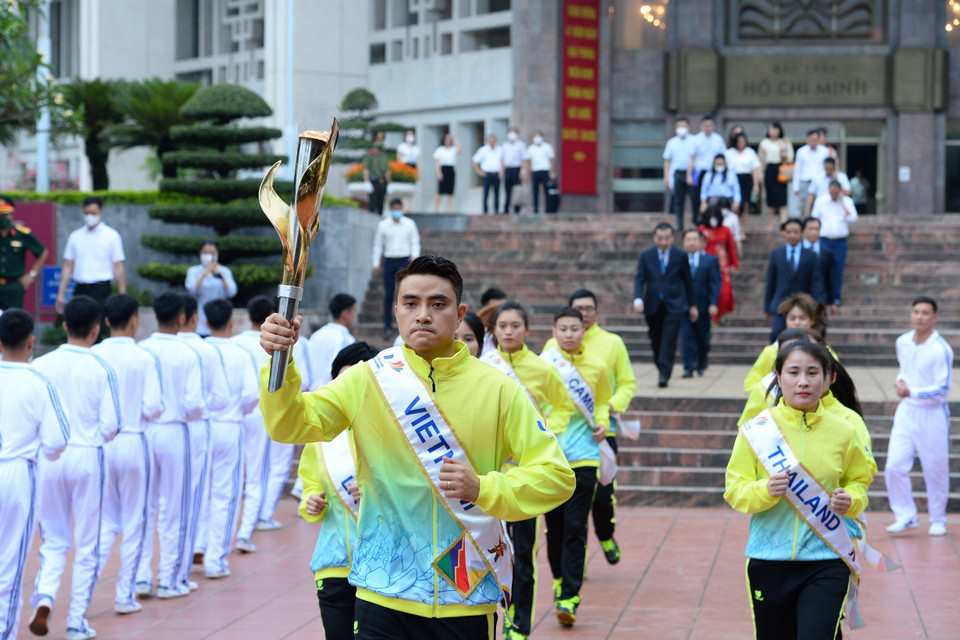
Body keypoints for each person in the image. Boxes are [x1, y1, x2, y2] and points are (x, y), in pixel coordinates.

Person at [257, 255, 575, 639]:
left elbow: (556, 476)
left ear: (459, 315)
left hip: (465, 591)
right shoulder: (366, 380)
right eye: (411, 303)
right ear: (396, 311)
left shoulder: (499, 389)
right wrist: (281, 360)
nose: (422, 315)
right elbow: (289, 423)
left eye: (437, 304)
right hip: (382, 592)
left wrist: (485, 489)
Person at [724, 341, 875, 640]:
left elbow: (859, 481)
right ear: (778, 378)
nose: (803, 381)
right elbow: (735, 489)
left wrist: (852, 499)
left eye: (812, 372)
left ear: (829, 378)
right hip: (770, 559)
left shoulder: (844, 430)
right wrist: (765, 489)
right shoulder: (757, 430)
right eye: (793, 372)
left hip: (827, 558)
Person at [481, 302, 574, 639]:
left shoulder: (543, 369)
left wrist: (547, 428)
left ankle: (519, 624)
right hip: (489, 472)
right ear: (493, 331)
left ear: (527, 331)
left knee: (523, 552)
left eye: (515, 325)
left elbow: (562, 407)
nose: (508, 331)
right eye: (502, 325)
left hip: (524, 474)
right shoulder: (483, 368)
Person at [30, 296, 121, 640]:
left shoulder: (40, 364)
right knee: (88, 542)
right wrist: (89, 437)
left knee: (52, 539)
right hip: (87, 453)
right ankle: (75, 620)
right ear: (97, 329)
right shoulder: (101, 366)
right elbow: (112, 425)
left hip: (49, 457)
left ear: (65, 325)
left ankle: (46, 596)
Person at [544, 289, 637, 564]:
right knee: (569, 512)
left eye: (587, 309)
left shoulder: (613, 343)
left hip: (600, 431)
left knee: (602, 498)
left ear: (596, 313)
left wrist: (611, 406)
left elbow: (627, 382)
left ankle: (606, 534)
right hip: (562, 437)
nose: (583, 314)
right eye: (578, 308)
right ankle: (575, 564)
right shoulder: (551, 348)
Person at [298, 341, 378, 640]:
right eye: (341, 381)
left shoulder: (393, 435)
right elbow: (309, 490)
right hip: (334, 565)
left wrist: (376, 491)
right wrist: (311, 502)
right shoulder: (320, 438)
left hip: (381, 569)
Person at [540, 307, 611, 628]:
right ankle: (559, 579)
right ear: (554, 332)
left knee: (575, 527)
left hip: (584, 458)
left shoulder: (597, 367)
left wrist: (603, 424)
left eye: (574, 328)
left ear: (585, 330)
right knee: (554, 528)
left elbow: (604, 402)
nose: (569, 334)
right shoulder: (544, 365)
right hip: (551, 459)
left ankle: (570, 594)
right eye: (563, 328)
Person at [92, 295, 163, 616]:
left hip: (102, 445)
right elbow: (153, 407)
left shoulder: (94, 355)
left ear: (106, 321)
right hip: (134, 439)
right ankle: (126, 593)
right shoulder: (143, 356)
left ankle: (86, 588)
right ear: (134, 321)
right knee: (137, 520)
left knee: (105, 522)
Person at [0, 309, 68, 640]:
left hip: (14, 466)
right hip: (16, 472)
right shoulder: (37, 381)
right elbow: (57, 440)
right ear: (31, 341)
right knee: (8, 566)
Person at [135, 292, 204, 600]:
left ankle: (139, 578)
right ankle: (169, 579)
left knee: (145, 508)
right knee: (175, 507)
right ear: (182, 318)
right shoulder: (188, 353)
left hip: (146, 432)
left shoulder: (141, 349)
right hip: (176, 431)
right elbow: (193, 405)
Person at [884, 297, 954, 536]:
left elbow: (943, 389)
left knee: (935, 468)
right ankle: (905, 515)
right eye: (916, 311)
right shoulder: (902, 342)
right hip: (906, 411)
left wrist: (912, 391)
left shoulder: (940, 349)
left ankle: (938, 518)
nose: (920, 316)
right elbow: (905, 369)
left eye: (925, 313)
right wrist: (900, 382)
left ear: (934, 318)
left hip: (932, 414)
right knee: (894, 465)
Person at [201, 299, 260, 577]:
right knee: (225, 493)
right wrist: (238, 410)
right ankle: (215, 560)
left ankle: (198, 545)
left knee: (201, 490)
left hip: (202, 426)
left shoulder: (199, 350)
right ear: (231, 322)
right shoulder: (238, 354)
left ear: (205, 322)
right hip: (229, 424)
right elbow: (251, 395)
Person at [179, 294, 231, 587]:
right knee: (220, 492)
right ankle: (213, 559)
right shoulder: (205, 349)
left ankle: (188, 555)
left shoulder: (158, 349)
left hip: (173, 430)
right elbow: (226, 398)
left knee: (184, 497)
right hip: (212, 424)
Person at [231, 296, 276, 553]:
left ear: (247, 316)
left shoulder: (233, 344)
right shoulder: (272, 344)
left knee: (231, 476)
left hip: (235, 413)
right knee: (257, 473)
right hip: (259, 411)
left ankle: (222, 537)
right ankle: (244, 533)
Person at [633, 223, 698, 388]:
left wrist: (692, 305)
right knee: (656, 339)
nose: (663, 241)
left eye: (667, 238)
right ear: (654, 237)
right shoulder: (647, 255)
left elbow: (688, 281)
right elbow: (640, 278)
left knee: (669, 340)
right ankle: (661, 365)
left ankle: (664, 373)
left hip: (674, 304)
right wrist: (637, 298)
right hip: (652, 304)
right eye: (660, 238)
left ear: (672, 238)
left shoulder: (680, 255)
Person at [744, 293, 830, 392]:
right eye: (792, 318)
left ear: (812, 320)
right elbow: (751, 383)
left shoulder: (823, 350)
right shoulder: (771, 351)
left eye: (802, 318)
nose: (797, 322)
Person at [56, 196, 126, 312]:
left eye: (93, 213)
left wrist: (122, 294)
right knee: (79, 324)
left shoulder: (111, 236)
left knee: (99, 323)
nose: (90, 217)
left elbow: (118, 266)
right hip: (80, 288)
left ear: (101, 212)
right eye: (86, 213)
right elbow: (68, 265)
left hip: (101, 289)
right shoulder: (75, 236)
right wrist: (61, 293)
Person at [763, 218, 826, 342]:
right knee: (777, 336)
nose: (792, 235)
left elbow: (816, 282)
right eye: (789, 232)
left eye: (796, 232)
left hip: (803, 305)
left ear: (802, 233)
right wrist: (767, 306)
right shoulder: (776, 254)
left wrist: (817, 304)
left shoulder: (810, 255)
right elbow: (771, 281)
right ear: (784, 233)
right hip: (780, 304)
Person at [373, 199, 420, 338]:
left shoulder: (410, 224)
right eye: (394, 208)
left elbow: (415, 242)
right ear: (390, 209)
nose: (396, 211)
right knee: (389, 294)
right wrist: (375, 262)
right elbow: (377, 245)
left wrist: (414, 258)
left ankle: (408, 324)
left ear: (402, 208)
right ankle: (387, 326)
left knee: (407, 293)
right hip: (389, 260)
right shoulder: (383, 225)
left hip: (405, 260)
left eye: (399, 208)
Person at [679, 230, 721, 378]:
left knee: (702, 337)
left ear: (701, 242)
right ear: (683, 242)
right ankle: (688, 367)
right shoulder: (678, 259)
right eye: (688, 239)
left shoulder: (710, 260)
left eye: (694, 239)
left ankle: (701, 363)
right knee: (685, 338)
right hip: (683, 305)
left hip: (703, 306)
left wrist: (714, 303)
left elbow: (715, 283)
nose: (691, 242)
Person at [811, 181, 857, 306]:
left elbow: (853, 217)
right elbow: (814, 217)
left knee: (838, 268)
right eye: (832, 191)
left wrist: (842, 202)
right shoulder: (821, 201)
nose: (834, 194)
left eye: (836, 192)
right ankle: (821, 294)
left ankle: (836, 296)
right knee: (821, 268)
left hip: (840, 241)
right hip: (825, 240)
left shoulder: (847, 201)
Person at [0, 195, 49, 310]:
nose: (3, 218)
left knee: (14, 321)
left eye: (6, 215)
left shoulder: (22, 234)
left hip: (13, 285)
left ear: (12, 214)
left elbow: (43, 252)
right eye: (1, 215)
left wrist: (31, 275)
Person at [184, 240, 238, 336]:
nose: (208, 255)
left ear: (217, 253)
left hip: (220, 321)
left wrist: (221, 275)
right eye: (205, 253)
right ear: (200, 253)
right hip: (200, 321)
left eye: (212, 253)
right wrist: (204, 273)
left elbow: (231, 292)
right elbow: (192, 290)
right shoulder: (193, 271)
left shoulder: (225, 271)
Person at [307, 293, 357, 389]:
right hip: (328, 395)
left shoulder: (316, 334)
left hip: (310, 395)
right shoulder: (346, 339)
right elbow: (338, 371)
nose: (355, 315)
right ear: (345, 313)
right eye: (354, 311)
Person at [686, 115, 727, 214]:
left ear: (713, 126)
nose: (708, 128)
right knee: (696, 198)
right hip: (699, 173)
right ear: (701, 126)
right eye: (705, 125)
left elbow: (724, 157)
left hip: (714, 172)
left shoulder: (718, 139)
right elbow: (692, 159)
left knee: (712, 197)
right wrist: (689, 175)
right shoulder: (696, 140)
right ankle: (697, 220)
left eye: (710, 125)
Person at [757, 121, 794, 225]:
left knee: (783, 200)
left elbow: (790, 158)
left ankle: (784, 224)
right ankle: (770, 225)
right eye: (770, 129)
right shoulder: (764, 143)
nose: (772, 132)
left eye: (774, 129)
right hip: (769, 171)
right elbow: (760, 160)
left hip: (782, 170)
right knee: (770, 200)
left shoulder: (785, 142)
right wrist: (760, 174)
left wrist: (784, 156)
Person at [662, 117, 696, 230]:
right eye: (679, 126)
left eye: (684, 126)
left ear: (689, 127)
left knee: (694, 198)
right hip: (678, 173)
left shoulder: (694, 140)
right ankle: (679, 224)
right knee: (678, 200)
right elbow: (667, 161)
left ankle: (696, 221)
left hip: (692, 173)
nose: (682, 129)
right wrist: (666, 177)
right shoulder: (672, 142)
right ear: (676, 128)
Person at [802, 217, 836, 319]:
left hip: (819, 297)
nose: (813, 232)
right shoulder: (796, 250)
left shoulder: (827, 252)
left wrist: (831, 301)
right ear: (804, 230)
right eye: (810, 229)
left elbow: (830, 278)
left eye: (816, 229)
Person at [791, 129, 830, 219]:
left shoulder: (824, 151)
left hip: (820, 182)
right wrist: (795, 186)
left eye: (815, 140)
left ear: (818, 139)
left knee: (820, 205)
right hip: (805, 182)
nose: (813, 142)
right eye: (811, 140)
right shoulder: (801, 152)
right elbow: (798, 170)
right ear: (807, 140)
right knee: (805, 207)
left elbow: (828, 167)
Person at [724, 132, 761, 219]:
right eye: (739, 141)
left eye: (742, 141)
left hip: (746, 180)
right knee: (735, 204)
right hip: (733, 179)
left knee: (746, 204)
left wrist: (756, 185)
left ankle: (743, 230)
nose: (741, 143)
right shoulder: (729, 153)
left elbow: (754, 169)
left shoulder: (750, 152)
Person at [525, 130, 557, 214]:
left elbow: (551, 161)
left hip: (545, 170)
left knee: (547, 191)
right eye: (535, 136)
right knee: (535, 191)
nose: (537, 138)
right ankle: (535, 210)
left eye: (539, 136)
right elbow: (529, 162)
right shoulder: (530, 148)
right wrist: (527, 173)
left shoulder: (548, 147)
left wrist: (552, 173)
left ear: (542, 137)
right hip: (535, 171)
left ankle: (548, 210)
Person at [472, 134, 504, 214]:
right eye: (490, 141)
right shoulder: (483, 150)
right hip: (487, 174)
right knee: (486, 193)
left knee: (497, 193)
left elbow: (502, 161)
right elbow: (474, 160)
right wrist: (479, 172)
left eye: (493, 141)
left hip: (496, 174)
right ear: (487, 141)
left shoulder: (500, 150)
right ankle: (485, 211)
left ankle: (496, 210)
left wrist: (501, 171)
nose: (492, 142)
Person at [362, 132, 392, 216]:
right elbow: (366, 168)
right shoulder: (370, 154)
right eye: (378, 141)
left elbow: (386, 170)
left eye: (382, 141)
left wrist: (389, 183)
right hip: (373, 181)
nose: (380, 143)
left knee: (381, 205)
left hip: (382, 182)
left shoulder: (383, 154)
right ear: (375, 142)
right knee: (372, 204)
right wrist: (367, 181)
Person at [433, 133, 461, 213]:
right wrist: (439, 173)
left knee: (450, 191)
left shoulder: (453, 149)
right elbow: (437, 163)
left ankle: (448, 210)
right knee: (440, 191)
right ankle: (436, 208)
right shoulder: (440, 150)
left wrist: (456, 139)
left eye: (449, 140)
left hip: (451, 170)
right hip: (443, 169)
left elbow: (459, 150)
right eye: (446, 139)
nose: (448, 141)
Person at [502, 127, 527, 214]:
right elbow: (502, 159)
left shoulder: (521, 145)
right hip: (508, 169)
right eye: (510, 132)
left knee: (516, 190)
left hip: (517, 170)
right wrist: (501, 171)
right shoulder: (505, 145)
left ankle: (517, 209)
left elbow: (523, 160)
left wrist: (522, 172)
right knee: (507, 190)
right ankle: (506, 209)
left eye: (513, 133)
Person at [714, 244, 735, 323]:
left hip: (723, 268)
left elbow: (730, 246)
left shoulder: (726, 231)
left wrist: (733, 263)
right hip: (710, 264)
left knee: (724, 294)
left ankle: (722, 313)